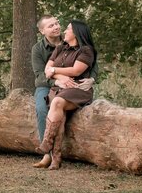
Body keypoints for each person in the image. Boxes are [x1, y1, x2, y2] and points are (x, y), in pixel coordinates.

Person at [36, 20, 98, 170]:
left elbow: (76, 71)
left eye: (68, 29)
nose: (64, 31)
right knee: (60, 115)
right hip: (60, 88)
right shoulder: (60, 48)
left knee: (57, 103)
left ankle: (47, 142)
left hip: (78, 89)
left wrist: (54, 71)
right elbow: (46, 68)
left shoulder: (86, 50)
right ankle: (56, 158)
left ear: (76, 33)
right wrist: (56, 74)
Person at [30, 15, 63, 146]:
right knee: (42, 108)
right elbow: (39, 75)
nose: (56, 27)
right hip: (46, 85)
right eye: (51, 26)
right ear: (42, 31)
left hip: (68, 82)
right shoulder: (37, 49)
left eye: (57, 23)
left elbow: (88, 59)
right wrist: (55, 82)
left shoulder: (71, 41)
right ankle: (47, 150)